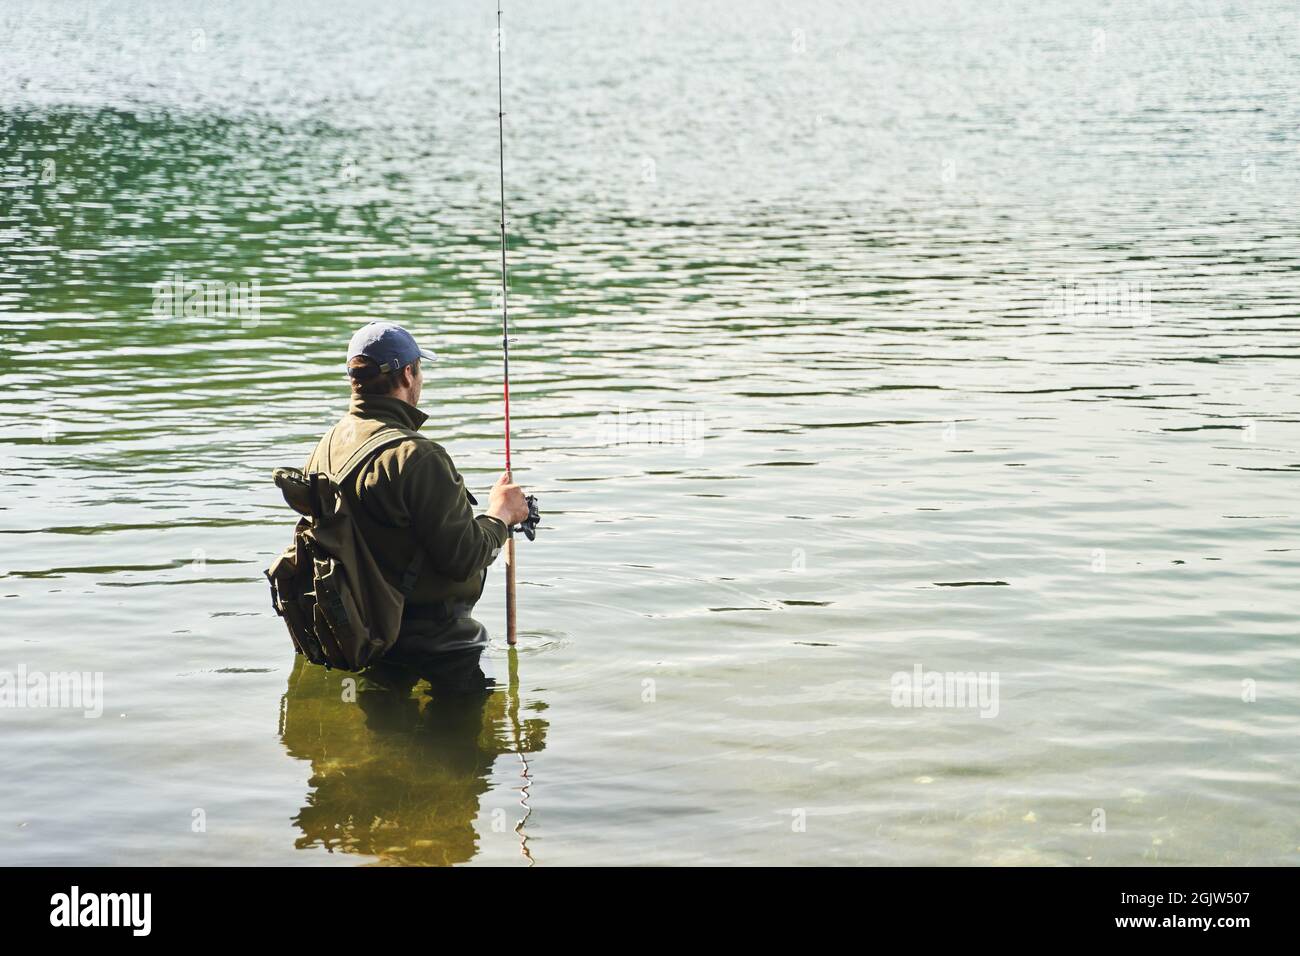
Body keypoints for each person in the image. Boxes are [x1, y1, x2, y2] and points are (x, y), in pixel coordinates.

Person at [304, 320, 531, 696]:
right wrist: (502, 515)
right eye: (420, 369)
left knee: (388, 738)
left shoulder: (325, 447)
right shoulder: (418, 457)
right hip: (437, 643)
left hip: (364, 633)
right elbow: (464, 556)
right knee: (466, 752)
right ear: (408, 374)